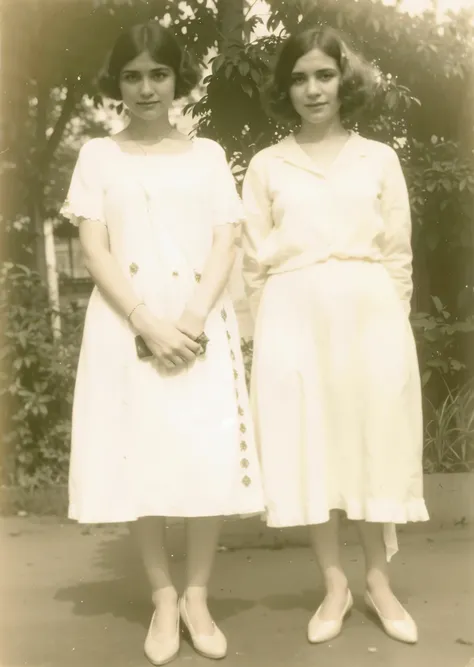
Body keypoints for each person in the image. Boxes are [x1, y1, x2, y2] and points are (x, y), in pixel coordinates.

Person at [60, 21, 264, 666]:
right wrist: (147, 321)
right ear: (116, 83)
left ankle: (198, 594)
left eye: (159, 73)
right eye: (132, 75)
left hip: (199, 322)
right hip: (127, 325)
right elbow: (94, 249)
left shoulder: (206, 155)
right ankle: (164, 596)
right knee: (141, 459)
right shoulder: (98, 155)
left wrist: (195, 322)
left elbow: (225, 239)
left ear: (179, 79)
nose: (146, 88)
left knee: (202, 457)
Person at [241, 25, 429, 646]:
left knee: (372, 442)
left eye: (323, 75)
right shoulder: (269, 165)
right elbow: (252, 262)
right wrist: (265, 336)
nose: (312, 89)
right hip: (293, 317)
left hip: (369, 315)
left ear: (344, 81)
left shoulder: (379, 158)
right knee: (310, 448)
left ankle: (378, 579)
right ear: (285, 88)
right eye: (298, 77)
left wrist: (389, 326)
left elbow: (399, 255)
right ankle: (334, 584)